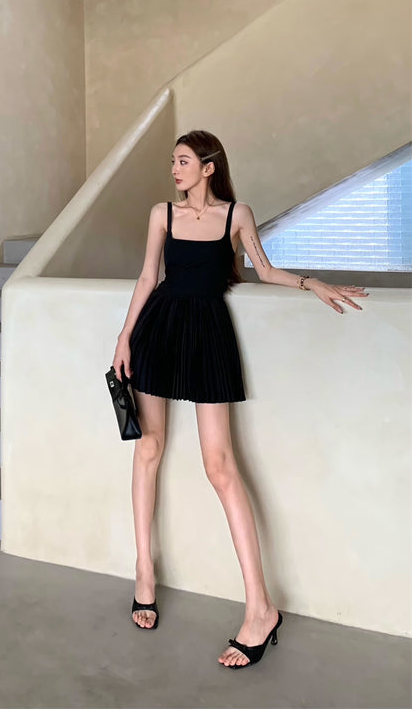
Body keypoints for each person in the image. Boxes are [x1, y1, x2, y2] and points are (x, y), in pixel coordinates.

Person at [111, 129, 369, 669]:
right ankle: (144, 572)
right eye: (173, 161)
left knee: (220, 466)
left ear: (209, 167)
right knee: (148, 447)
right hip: (158, 329)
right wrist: (124, 337)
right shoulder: (162, 214)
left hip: (208, 335)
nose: (174, 169)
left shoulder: (237, 215)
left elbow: (264, 269)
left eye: (183, 161)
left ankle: (260, 608)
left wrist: (313, 284)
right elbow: (147, 277)